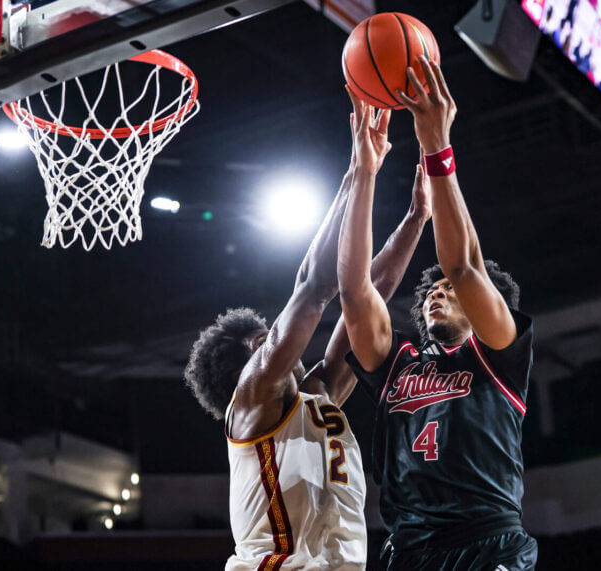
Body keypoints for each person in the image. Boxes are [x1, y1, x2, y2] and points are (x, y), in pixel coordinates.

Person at [184, 106, 431, 570]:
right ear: (253, 357)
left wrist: (417, 217)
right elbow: (313, 288)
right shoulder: (253, 400)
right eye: (266, 337)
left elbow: (365, 298)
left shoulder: (320, 396)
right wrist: (360, 173)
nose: (279, 339)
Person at [338, 57, 538, 570]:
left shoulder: (497, 351)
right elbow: (355, 291)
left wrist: (435, 147)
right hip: (409, 551)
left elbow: (465, 266)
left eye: (448, 291)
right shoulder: (398, 365)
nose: (436, 292)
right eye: (432, 290)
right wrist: (364, 174)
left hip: (488, 541)